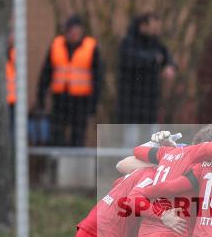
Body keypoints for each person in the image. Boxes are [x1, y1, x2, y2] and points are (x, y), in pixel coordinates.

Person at [37, 14, 102, 147]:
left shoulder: (90, 47)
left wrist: (94, 103)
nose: (74, 35)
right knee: (57, 132)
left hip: (81, 100)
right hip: (60, 98)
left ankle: (76, 159)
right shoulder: (56, 45)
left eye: (77, 31)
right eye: (71, 31)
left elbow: (97, 77)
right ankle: (58, 159)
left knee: (78, 134)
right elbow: (46, 72)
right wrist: (41, 95)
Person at [117, 12, 175, 125]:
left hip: (150, 98)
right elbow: (132, 59)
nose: (156, 31)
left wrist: (169, 65)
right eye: (153, 28)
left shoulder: (155, 43)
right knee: (131, 128)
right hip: (131, 97)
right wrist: (153, 59)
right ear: (143, 26)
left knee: (151, 129)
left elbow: (166, 56)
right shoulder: (128, 42)